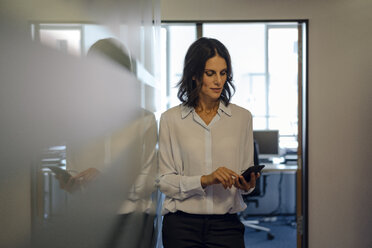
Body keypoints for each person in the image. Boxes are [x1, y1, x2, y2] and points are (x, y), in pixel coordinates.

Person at [158, 37, 259, 248]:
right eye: (210, 73)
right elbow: (165, 182)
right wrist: (205, 179)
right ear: (194, 75)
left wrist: (248, 185)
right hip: (181, 226)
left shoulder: (242, 118)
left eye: (223, 73)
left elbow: (244, 179)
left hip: (226, 226)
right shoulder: (170, 119)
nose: (218, 81)